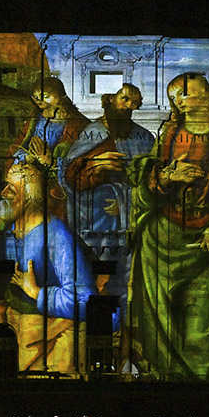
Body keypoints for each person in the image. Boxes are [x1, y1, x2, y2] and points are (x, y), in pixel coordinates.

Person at [128, 73, 209, 381]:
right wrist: (165, 177)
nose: (179, 101)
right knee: (162, 324)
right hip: (164, 242)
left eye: (185, 93)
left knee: (204, 327)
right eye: (174, 97)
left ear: (206, 94)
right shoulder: (171, 132)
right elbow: (147, 172)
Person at [0, 159, 95, 374]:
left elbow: (85, 300)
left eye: (12, 190)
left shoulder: (56, 236)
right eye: (5, 186)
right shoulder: (6, 230)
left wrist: (37, 292)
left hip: (50, 339)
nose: (4, 193)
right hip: (16, 334)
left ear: (31, 197)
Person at [63, 84, 156, 297]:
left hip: (126, 219)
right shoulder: (91, 134)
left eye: (134, 102)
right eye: (124, 99)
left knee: (122, 278)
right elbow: (71, 177)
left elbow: (150, 182)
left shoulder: (143, 138)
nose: (129, 106)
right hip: (90, 219)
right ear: (110, 99)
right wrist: (95, 165)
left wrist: (125, 203)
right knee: (93, 274)